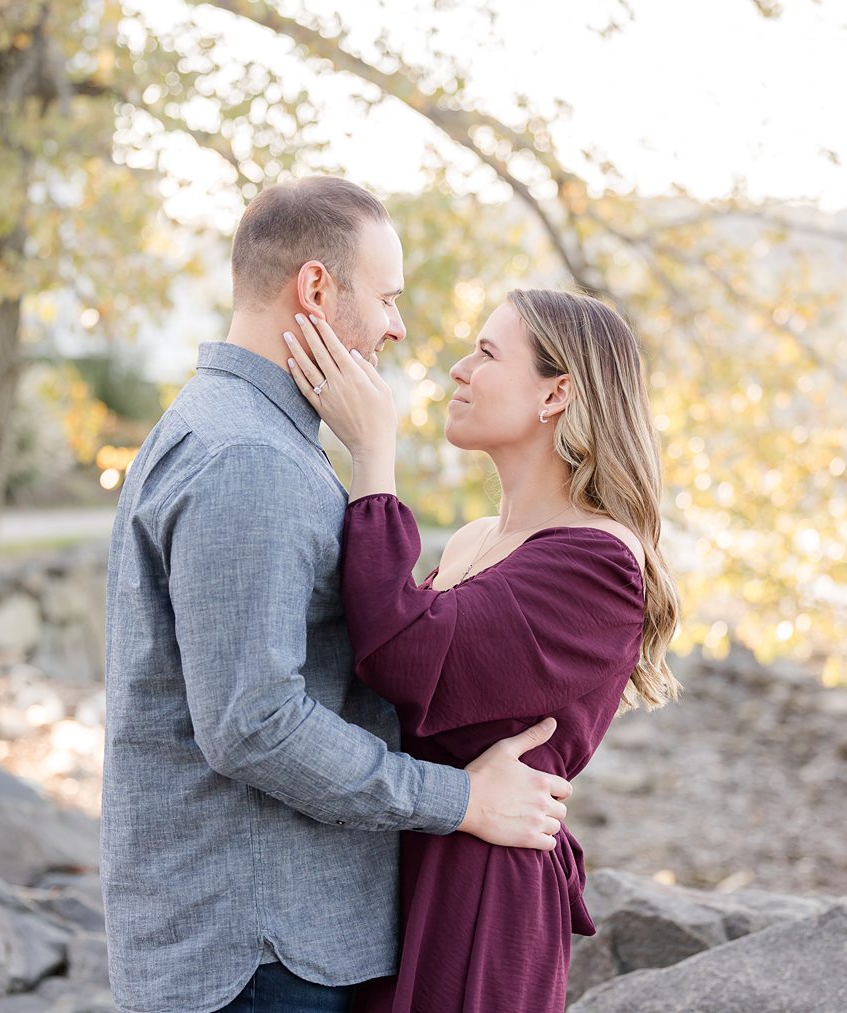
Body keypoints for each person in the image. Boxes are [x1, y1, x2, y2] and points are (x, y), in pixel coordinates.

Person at [101, 177, 573, 1013]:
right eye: (387, 298)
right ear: (316, 288)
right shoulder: (249, 459)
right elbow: (254, 723)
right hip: (260, 952)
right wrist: (463, 800)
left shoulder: (233, 430)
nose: (397, 325)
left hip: (256, 939)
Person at [283, 288, 681, 1012]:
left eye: (488, 353)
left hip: (479, 893)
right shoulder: (473, 541)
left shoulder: (599, 564)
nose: (459, 370)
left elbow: (401, 656)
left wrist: (373, 454)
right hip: (406, 859)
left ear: (557, 393)